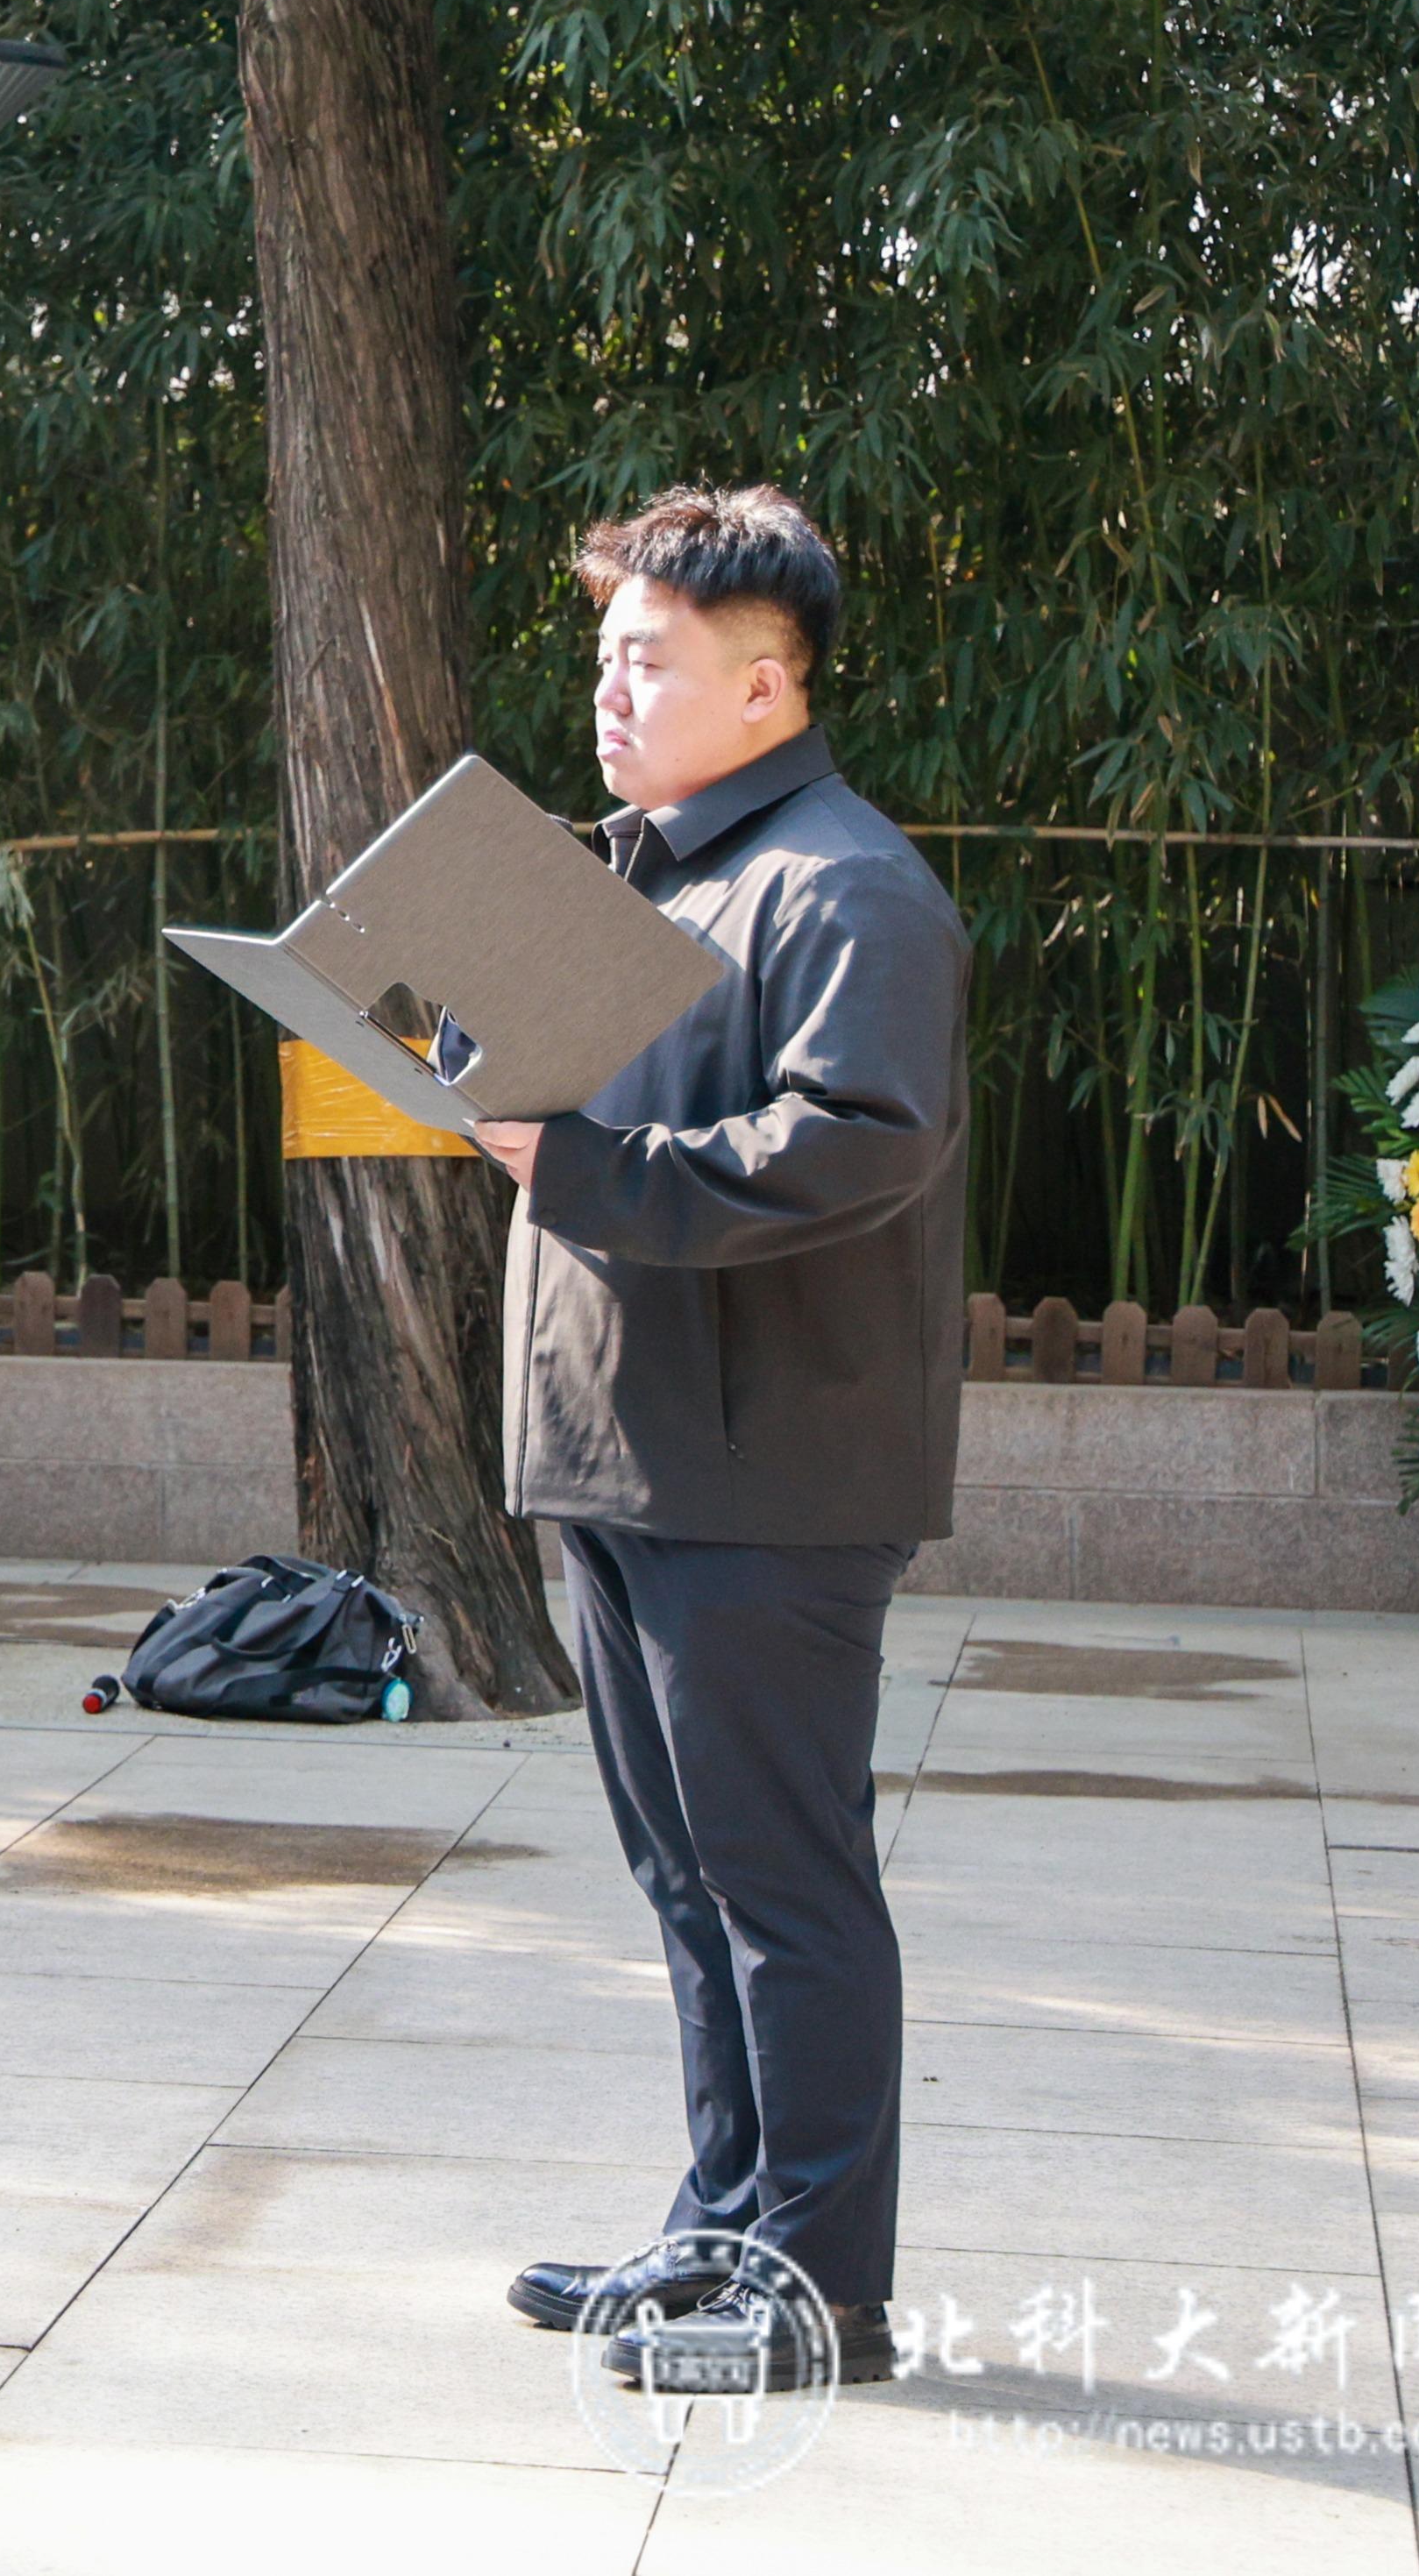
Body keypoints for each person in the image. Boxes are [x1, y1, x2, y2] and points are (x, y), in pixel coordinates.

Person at [471, 485, 964, 2392]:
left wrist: (587, 1164)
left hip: (768, 1476)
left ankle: (821, 2297)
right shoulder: (646, 883)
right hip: (630, 1450)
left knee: (784, 1887)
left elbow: (857, 1141)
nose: (611, 691)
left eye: (650, 661)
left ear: (769, 685)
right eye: (603, 656)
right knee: (691, 1884)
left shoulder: (843, 887)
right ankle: (724, 2232)